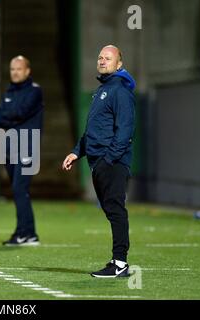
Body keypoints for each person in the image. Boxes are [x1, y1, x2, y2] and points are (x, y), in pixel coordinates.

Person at [62, 45, 136, 277]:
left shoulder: (120, 91)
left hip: (111, 162)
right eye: (100, 57)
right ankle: (118, 261)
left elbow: (125, 131)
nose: (102, 60)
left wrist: (108, 159)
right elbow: (93, 130)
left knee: (115, 210)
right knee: (111, 210)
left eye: (108, 58)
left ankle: (120, 263)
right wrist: (77, 152)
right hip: (99, 162)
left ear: (119, 64)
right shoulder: (102, 90)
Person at [0, 55, 44, 246]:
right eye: (12, 69)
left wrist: (10, 117)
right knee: (18, 191)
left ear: (27, 71)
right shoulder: (8, 92)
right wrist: (11, 118)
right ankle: (27, 232)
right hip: (9, 146)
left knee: (19, 188)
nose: (15, 72)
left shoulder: (35, 91)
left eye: (19, 69)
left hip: (27, 145)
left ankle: (24, 233)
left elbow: (21, 112)